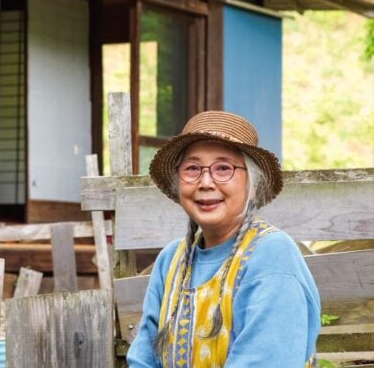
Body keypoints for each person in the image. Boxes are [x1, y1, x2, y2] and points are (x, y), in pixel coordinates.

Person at [127, 110, 320, 367]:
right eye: (192, 168)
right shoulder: (171, 260)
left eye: (223, 168)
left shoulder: (272, 254)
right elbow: (143, 358)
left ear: (252, 187)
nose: (206, 182)